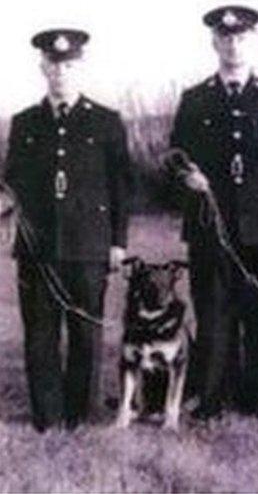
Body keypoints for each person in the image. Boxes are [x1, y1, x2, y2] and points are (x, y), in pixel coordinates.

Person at [168, 5, 258, 419]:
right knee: (213, 313)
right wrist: (185, 179)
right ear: (214, 42)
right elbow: (173, 158)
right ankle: (212, 402)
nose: (232, 44)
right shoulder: (195, 99)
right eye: (225, 37)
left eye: (240, 38)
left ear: (251, 41)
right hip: (211, 227)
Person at [4, 28, 131, 430]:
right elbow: (10, 183)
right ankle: (48, 415)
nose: (60, 72)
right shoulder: (25, 123)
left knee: (85, 333)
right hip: (38, 247)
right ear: (43, 68)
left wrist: (118, 243)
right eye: (53, 65)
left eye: (69, 65)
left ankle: (81, 413)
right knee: (41, 334)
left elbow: (121, 187)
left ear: (80, 68)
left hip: (89, 245)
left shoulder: (107, 121)